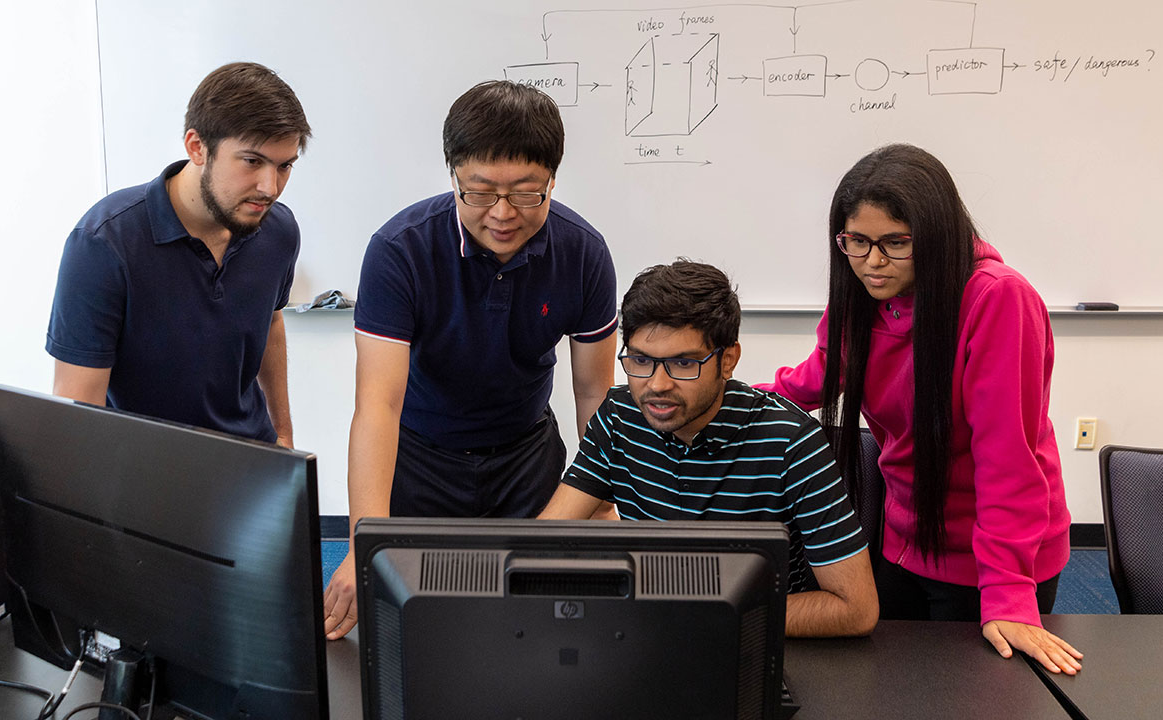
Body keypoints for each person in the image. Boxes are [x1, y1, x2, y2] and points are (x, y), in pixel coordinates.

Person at [758, 144, 1082, 672]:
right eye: (856, 242)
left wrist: (1007, 594)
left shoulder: (996, 300)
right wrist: (725, 395)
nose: (872, 262)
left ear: (934, 236)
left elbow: (1007, 460)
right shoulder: (861, 293)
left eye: (895, 243)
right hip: (903, 538)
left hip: (993, 557)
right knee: (886, 685)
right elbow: (814, 378)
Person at [322, 80, 619, 639]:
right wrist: (365, 538)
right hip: (421, 458)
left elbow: (594, 394)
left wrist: (601, 499)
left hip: (526, 456)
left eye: (528, 193)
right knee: (411, 625)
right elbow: (378, 405)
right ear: (453, 175)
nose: (502, 213)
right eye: (479, 192)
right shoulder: (400, 250)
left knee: (540, 624)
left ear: (553, 179)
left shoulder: (582, 251)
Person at [541, 260, 879, 638]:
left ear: (728, 359)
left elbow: (856, 608)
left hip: (759, 646)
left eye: (683, 363)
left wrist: (704, 619)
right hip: (655, 642)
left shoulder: (790, 441)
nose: (657, 385)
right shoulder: (620, 417)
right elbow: (544, 541)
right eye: (640, 360)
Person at [46, 62, 310, 445]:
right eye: (252, 161)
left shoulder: (278, 231)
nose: (270, 187)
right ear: (197, 147)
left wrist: (283, 433)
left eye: (284, 166)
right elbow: (79, 404)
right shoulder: (103, 243)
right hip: (143, 477)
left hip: (254, 462)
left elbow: (270, 324)